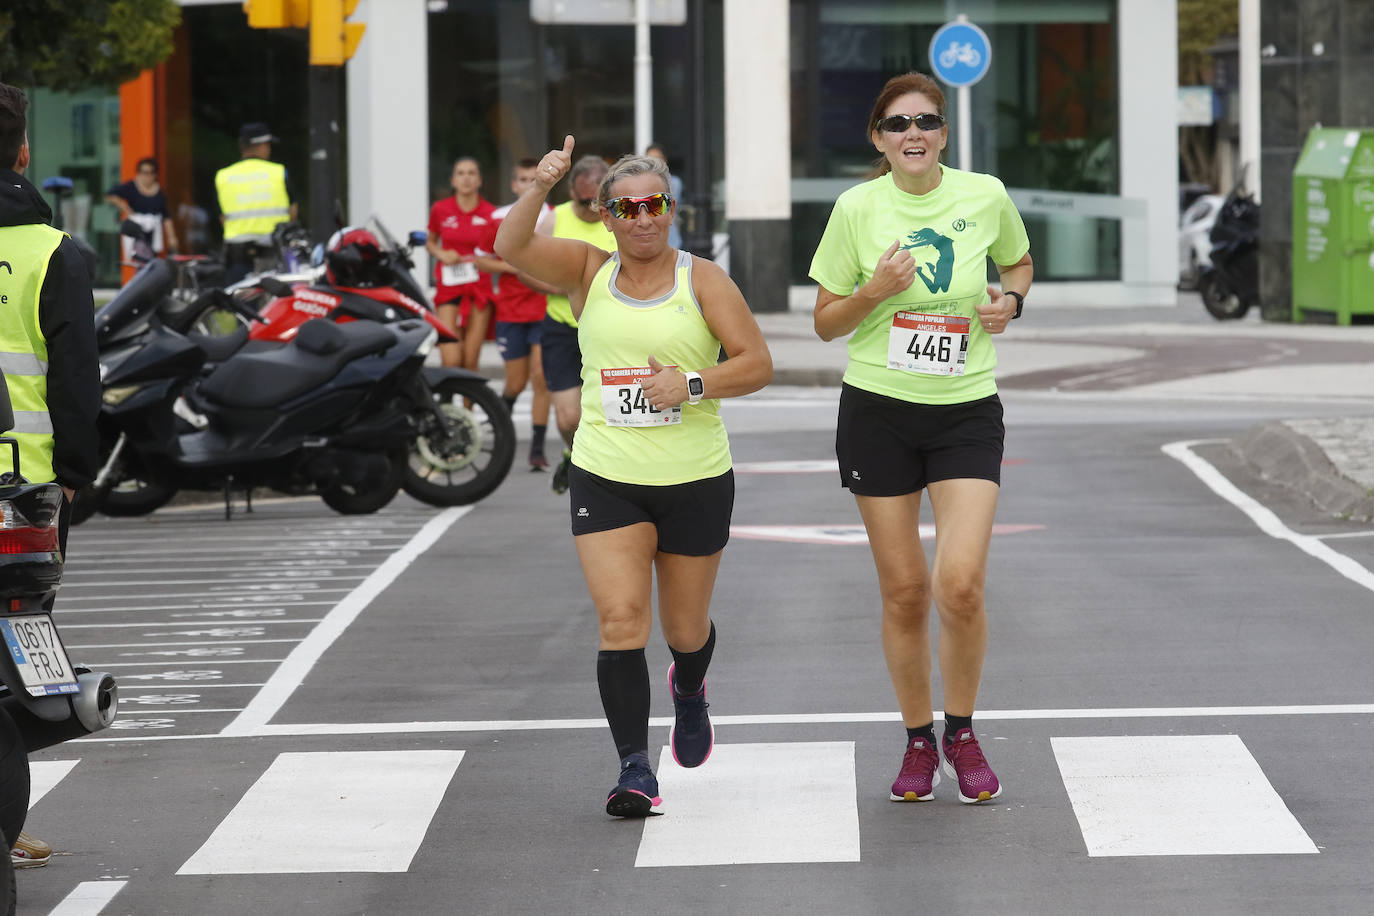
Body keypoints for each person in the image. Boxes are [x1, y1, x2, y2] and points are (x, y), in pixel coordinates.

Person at [495, 137, 772, 818]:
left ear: (670, 209)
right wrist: (541, 187)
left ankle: (690, 688)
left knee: (684, 630)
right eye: (627, 208)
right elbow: (511, 246)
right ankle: (633, 768)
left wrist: (694, 382)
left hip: (695, 477)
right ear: (606, 216)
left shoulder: (701, 279)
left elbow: (757, 363)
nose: (643, 218)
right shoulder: (585, 270)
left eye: (655, 204)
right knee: (621, 621)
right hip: (607, 475)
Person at [808, 72, 1033, 806]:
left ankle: (961, 731)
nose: (914, 133)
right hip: (878, 408)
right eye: (898, 123)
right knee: (905, 591)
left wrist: (1012, 302)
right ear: (878, 138)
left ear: (942, 133)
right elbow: (826, 320)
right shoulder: (855, 208)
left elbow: (1019, 263)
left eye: (927, 121)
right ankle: (916, 740)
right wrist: (872, 292)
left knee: (958, 583)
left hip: (966, 408)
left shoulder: (984, 195)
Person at [0, 82, 102, 869]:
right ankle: (8, 822)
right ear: (23, 154)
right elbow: (75, 382)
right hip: (26, 499)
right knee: (21, 660)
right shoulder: (54, 253)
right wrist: (74, 477)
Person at [536, 153, 615, 494]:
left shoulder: (619, 219)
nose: (590, 208)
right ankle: (572, 453)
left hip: (611, 329)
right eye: (583, 201)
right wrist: (557, 285)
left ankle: (607, 474)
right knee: (569, 418)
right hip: (563, 327)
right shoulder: (554, 220)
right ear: (571, 192)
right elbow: (523, 267)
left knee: (615, 413)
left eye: (597, 201)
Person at [476, 158, 557, 470]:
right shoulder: (497, 217)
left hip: (543, 307)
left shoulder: (552, 217)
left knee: (541, 379)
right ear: (514, 185)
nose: (526, 185)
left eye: (531, 179)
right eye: (521, 180)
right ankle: (500, 426)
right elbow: (481, 260)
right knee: (515, 382)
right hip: (510, 310)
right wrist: (515, 264)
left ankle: (537, 451)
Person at [426, 157, 496, 372]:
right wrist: (442, 253)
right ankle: (445, 403)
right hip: (449, 289)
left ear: (479, 180)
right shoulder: (440, 209)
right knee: (451, 359)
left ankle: (467, 406)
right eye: (461, 173)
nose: (466, 178)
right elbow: (430, 242)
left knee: (470, 360)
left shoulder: (491, 213)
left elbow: (499, 251)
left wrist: (484, 261)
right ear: (453, 181)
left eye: (471, 173)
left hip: (479, 289)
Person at [215, 122, 296, 284]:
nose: (269, 149)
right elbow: (293, 210)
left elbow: (222, 217)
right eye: (268, 145)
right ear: (261, 145)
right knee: (273, 305)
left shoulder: (223, 176)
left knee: (239, 303)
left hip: (237, 254)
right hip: (273, 252)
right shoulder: (278, 172)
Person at [105, 156, 180, 262]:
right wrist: (125, 208)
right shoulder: (131, 186)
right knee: (142, 259)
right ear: (138, 173)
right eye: (144, 173)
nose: (147, 177)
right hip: (137, 232)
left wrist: (172, 237)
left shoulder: (159, 191)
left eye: (150, 173)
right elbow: (110, 195)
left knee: (153, 260)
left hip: (154, 233)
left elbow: (165, 215)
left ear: (155, 174)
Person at [644, 143, 684, 250]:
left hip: (671, 239)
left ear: (665, 160)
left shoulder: (674, 183)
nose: (654, 163)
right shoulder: (640, 183)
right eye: (650, 159)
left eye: (657, 159)